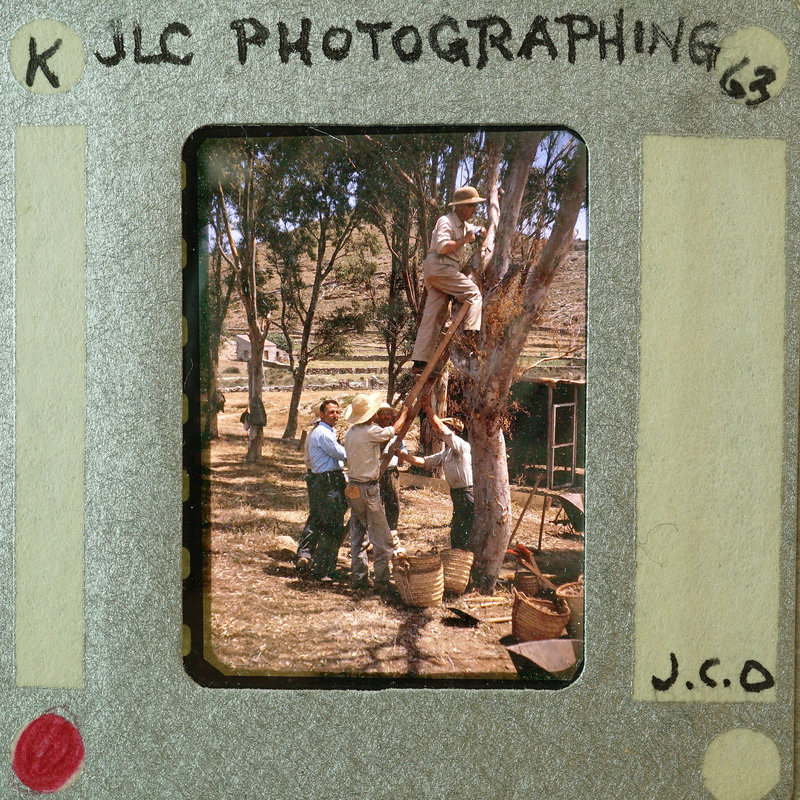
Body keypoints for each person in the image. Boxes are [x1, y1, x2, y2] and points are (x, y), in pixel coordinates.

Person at [409, 185, 486, 374]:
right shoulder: (446, 221)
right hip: (441, 267)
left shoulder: (463, 225)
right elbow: (443, 247)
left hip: (441, 271)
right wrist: (465, 240)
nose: (474, 210)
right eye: (471, 206)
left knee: (433, 316)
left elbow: (475, 231)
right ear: (460, 206)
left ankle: (419, 362)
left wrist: (481, 231)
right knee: (473, 293)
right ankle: (470, 333)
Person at [343, 393, 408, 591]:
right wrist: (404, 413)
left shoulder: (351, 433)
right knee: (383, 538)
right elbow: (393, 430)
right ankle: (381, 581)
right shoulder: (370, 431)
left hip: (353, 486)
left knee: (358, 534)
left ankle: (359, 577)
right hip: (368, 488)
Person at [398, 395, 474, 550]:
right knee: (458, 530)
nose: (438, 435)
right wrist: (402, 455)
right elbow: (424, 462)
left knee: (467, 528)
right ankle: (458, 556)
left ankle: (468, 556)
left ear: (454, 431)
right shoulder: (446, 453)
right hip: (457, 493)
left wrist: (427, 408)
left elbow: (441, 429)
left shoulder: (462, 447)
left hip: (468, 493)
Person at [301, 399, 348, 580]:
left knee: (328, 523)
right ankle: (323, 569)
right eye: (331, 412)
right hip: (328, 481)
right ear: (322, 414)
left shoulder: (326, 431)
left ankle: (323, 565)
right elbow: (340, 454)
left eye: (337, 412)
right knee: (331, 526)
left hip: (327, 479)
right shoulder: (322, 433)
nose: (335, 415)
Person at [375, 403, 407, 554]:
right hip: (377, 471)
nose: (387, 417)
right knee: (376, 504)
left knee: (393, 502)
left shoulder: (396, 432)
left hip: (392, 472)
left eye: (389, 414)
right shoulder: (375, 431)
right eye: (384, 414)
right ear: (378, 416)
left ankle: (392, 532)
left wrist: (401, 454)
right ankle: (376, 535)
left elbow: (403, 446)